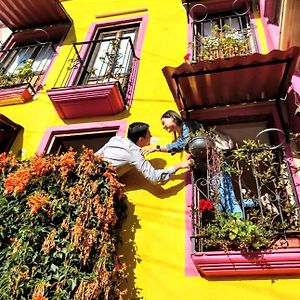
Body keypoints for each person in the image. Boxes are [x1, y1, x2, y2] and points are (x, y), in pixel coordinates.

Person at [95, 122, 192, 183]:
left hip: (89, 173)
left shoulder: (116, 139)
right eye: (149, 134)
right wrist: (179, 165)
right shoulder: (135, 153)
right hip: (98, 182)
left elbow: (96, 156)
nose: (151, 136)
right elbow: (154, 177)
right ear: (141, 140)